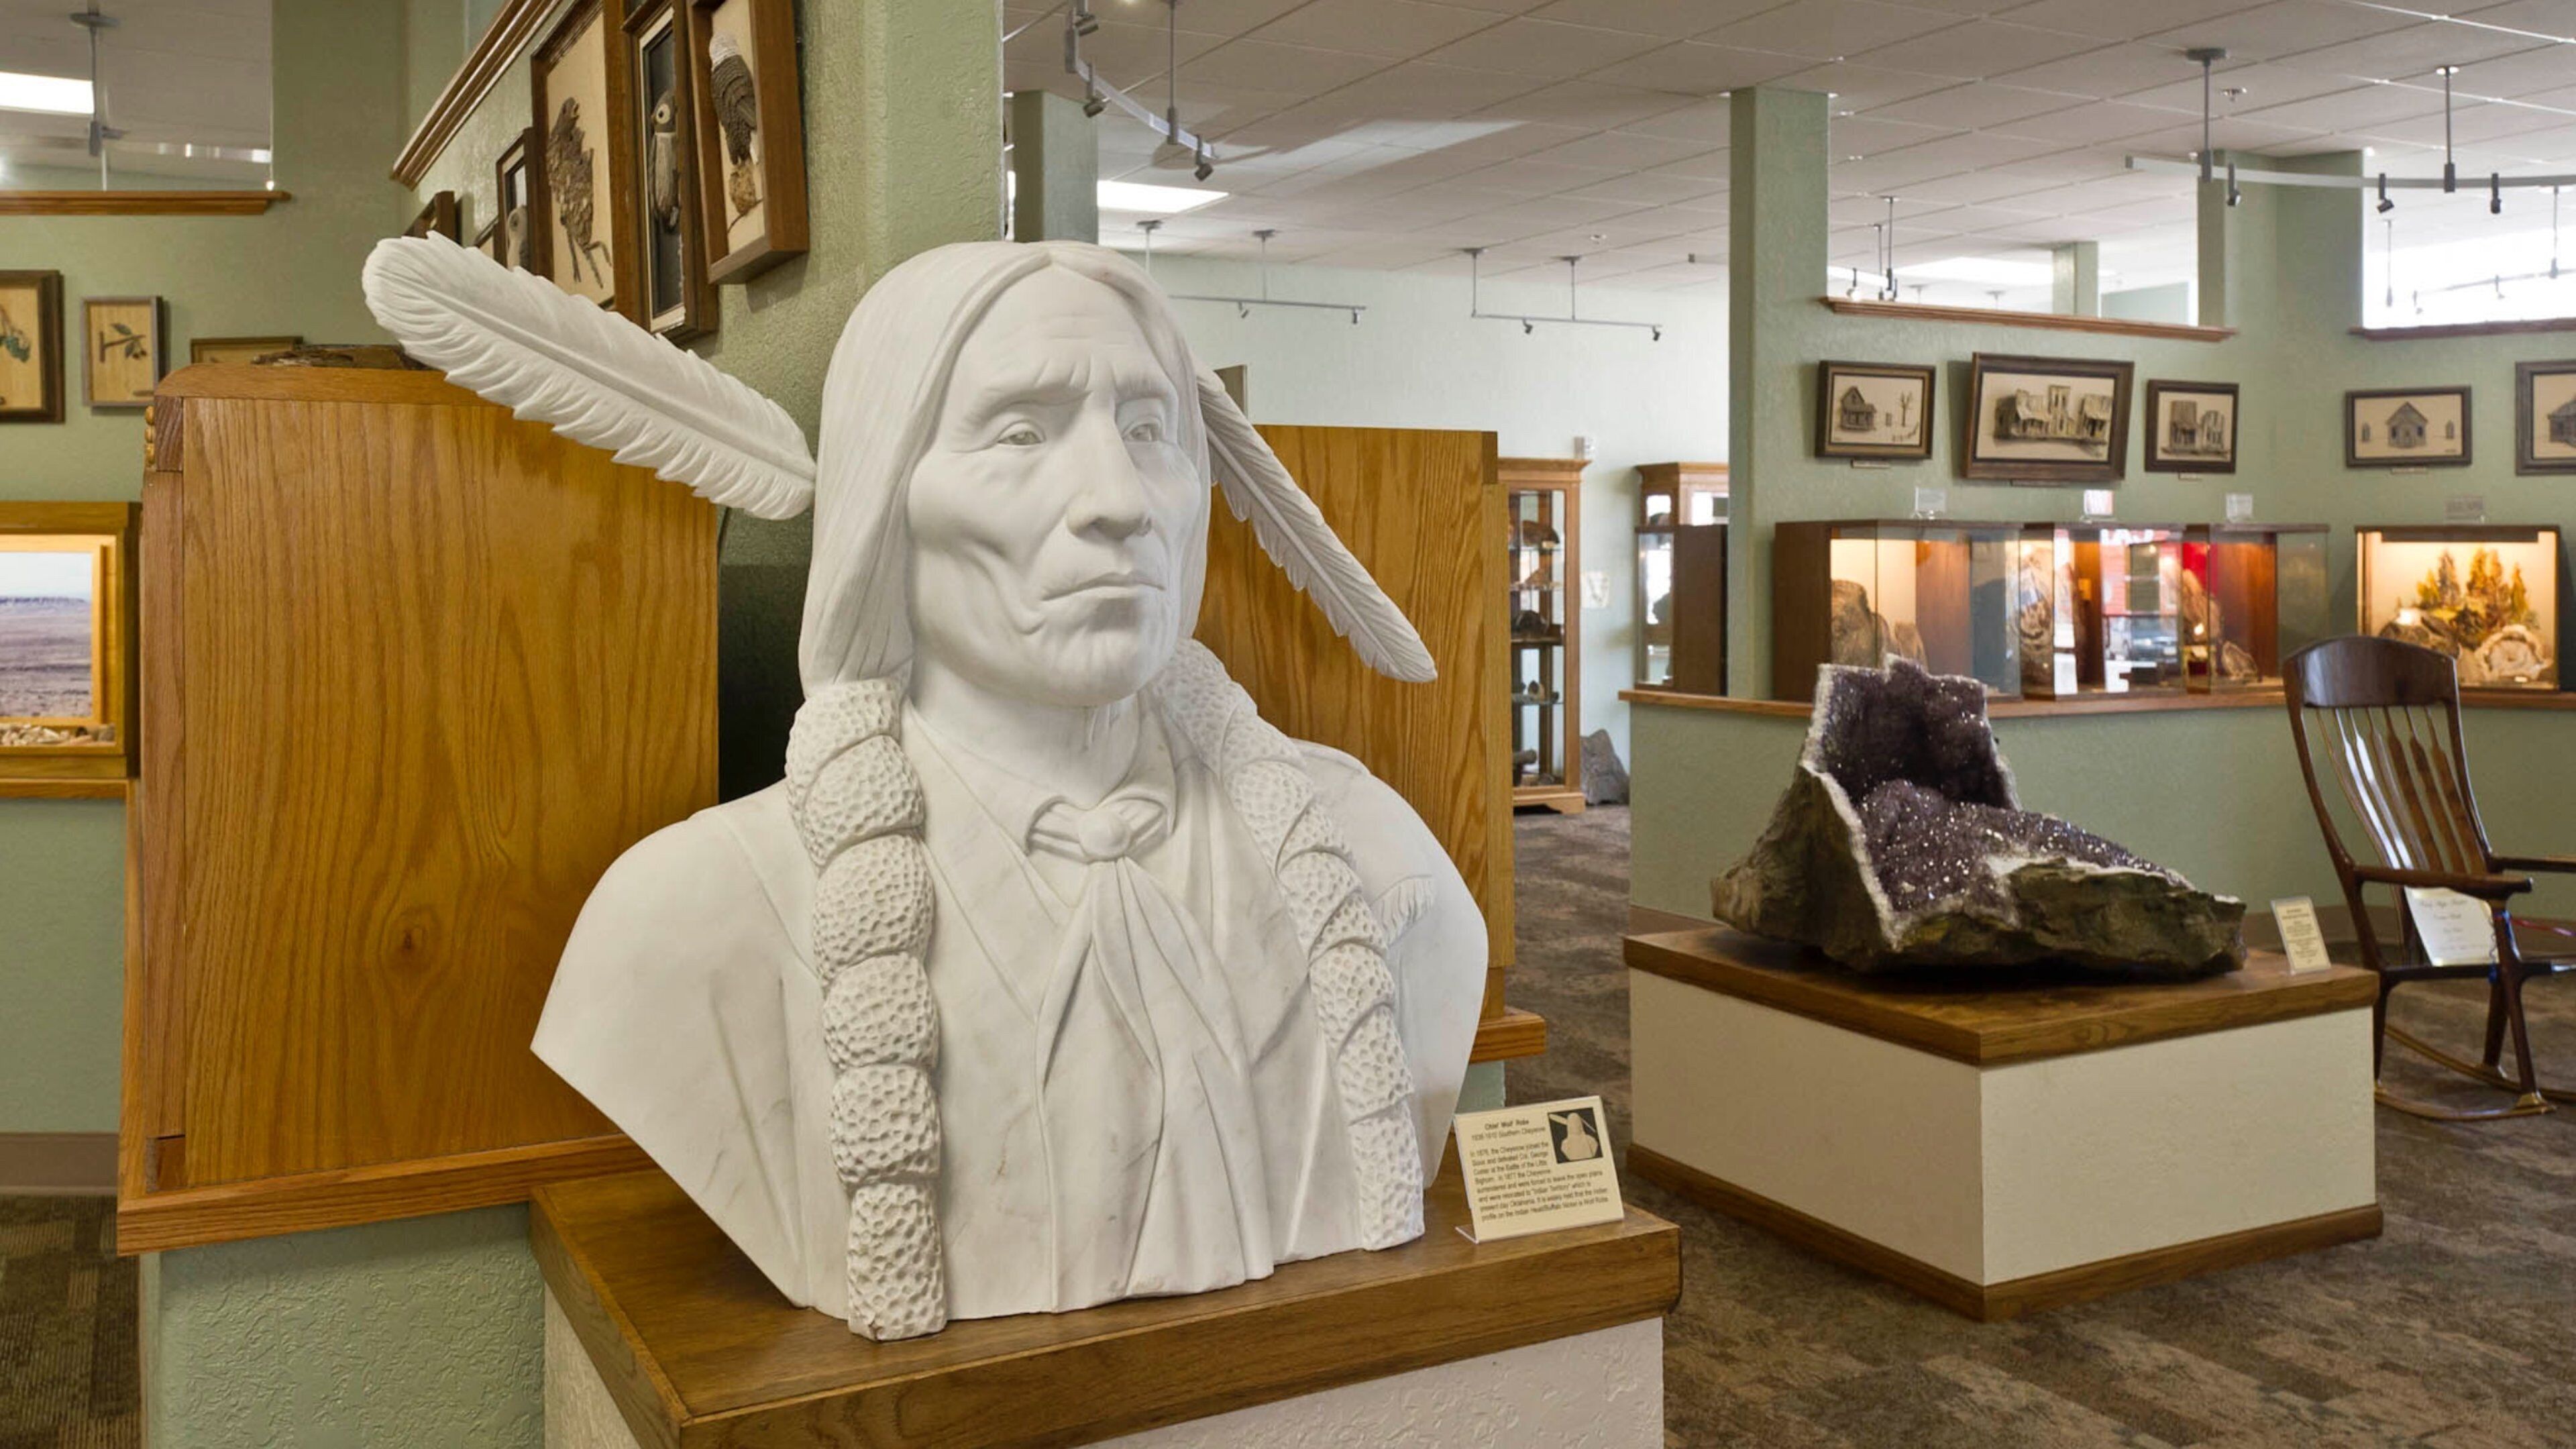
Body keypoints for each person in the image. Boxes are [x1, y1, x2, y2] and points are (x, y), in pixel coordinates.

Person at [515, 241, 1486, 1338]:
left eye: (1149, 430)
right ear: (886, 498)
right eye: (1022, 433)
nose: (1118, 500)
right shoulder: (688, 919)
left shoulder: (1373, 857)